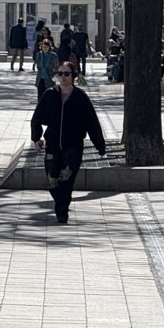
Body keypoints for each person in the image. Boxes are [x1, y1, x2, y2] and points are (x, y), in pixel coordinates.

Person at [30, 60, 106, 224]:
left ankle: (62, 212)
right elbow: (37, 117)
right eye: (60, 74)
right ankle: (61, 201)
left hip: (73, 145)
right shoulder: (50, 95)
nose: (63, 77)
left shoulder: (80, 98)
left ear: (74, 77)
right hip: (53, 144)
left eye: (67, 74)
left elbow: (92, 122)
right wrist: (36, 137)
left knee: (66, 179)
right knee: (52, 178)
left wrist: (100, 144)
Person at [34, 37, 60, 103]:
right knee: (40, 95)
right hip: (41, 77)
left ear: (49, 47)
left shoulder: (53, 55)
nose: (45, 48)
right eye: (43, 47)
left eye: (46, 47)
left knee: (49, 95)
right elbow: (38, 65)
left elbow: (57, 66)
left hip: (49, 77)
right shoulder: (39, 55)